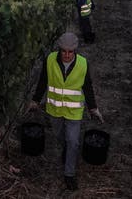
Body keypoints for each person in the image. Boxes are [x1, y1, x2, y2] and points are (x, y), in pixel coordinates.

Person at [29, 32, 102, 191]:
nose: (67, 55)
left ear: (75, 51)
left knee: (73, 141)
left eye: (70, 52)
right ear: (59, 49)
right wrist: (35, 100)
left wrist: (93, 107)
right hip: (55, 110)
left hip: (74, 111)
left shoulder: (83, 63)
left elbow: (87, 86)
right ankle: (67, 150)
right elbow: (43, 81)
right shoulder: (49, 60)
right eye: (64, 51)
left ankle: (69, 174)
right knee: (61, 138)